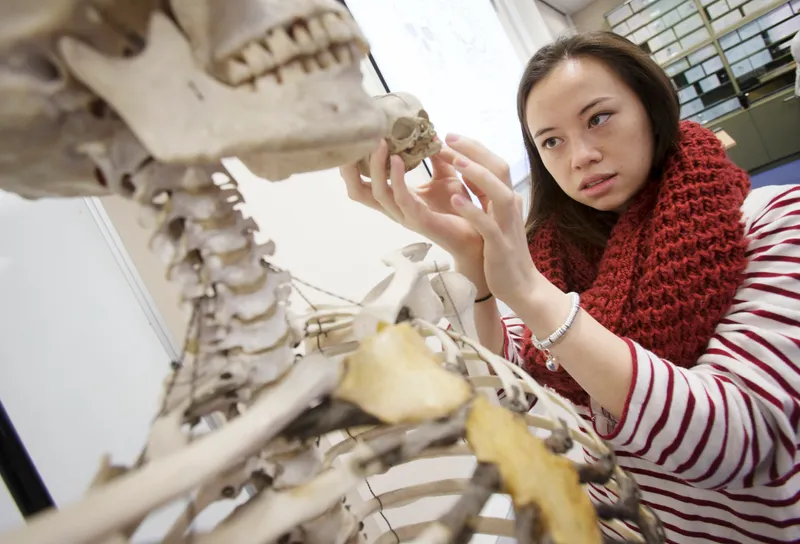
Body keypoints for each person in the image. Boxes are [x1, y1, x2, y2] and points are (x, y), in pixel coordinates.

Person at [339, 31, 800, 543]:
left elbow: (739, 443)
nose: (579, 156)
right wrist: (474, 260)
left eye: (598, 118)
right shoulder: (552, 256)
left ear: (652, 107)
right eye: (551, 141)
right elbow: (504, 387)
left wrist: (534, 297)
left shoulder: (777, 221)